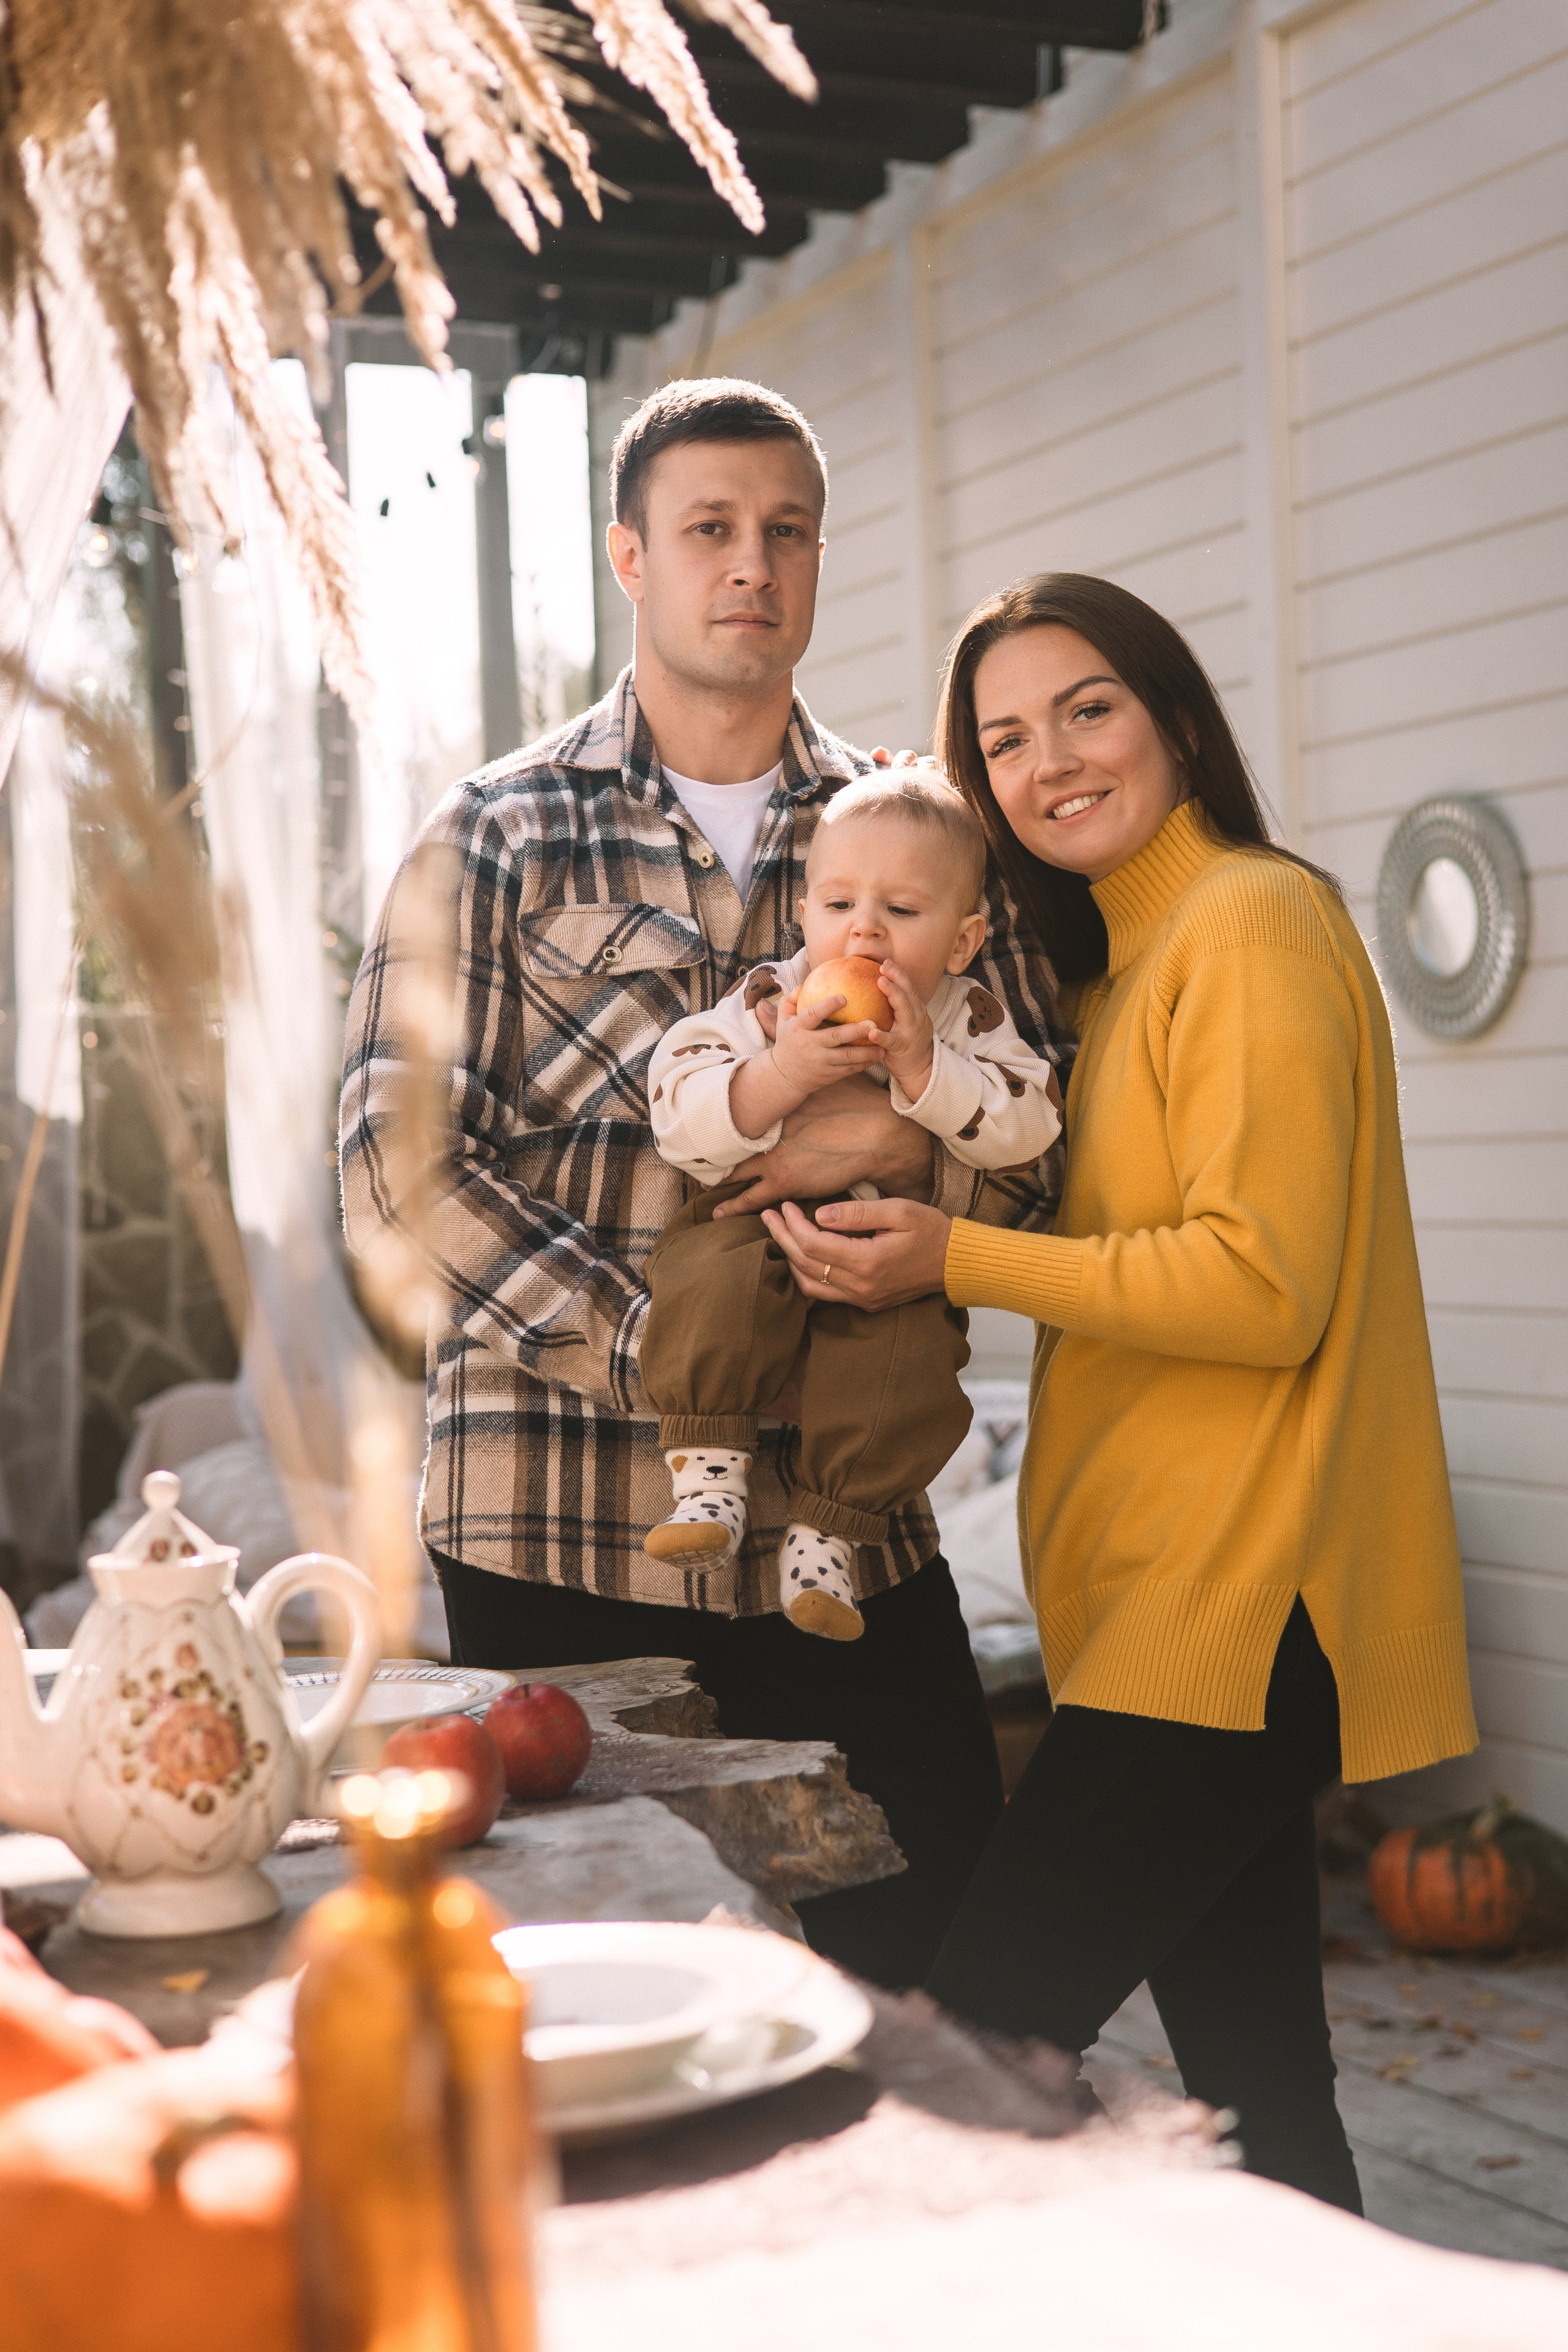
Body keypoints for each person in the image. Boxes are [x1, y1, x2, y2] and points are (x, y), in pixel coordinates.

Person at [755, 572, 1478, 2204]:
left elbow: (1262, 1286)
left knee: (957, 2066)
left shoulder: (1251, 922)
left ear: (1177, 717)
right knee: (1262, 2102)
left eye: (1088, 708)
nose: (1051, 760)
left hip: (1235, 1612)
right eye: (1003, 739)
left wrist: (951, 1259)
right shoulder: (1115, 968)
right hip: (1163, 1605)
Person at [339, 380, 1066, 1988]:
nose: (754, 565)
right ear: (631, 557)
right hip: (559, 1545)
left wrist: (930, 1243)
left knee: (943, 1986)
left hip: (854, 1542)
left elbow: (1038, 1148)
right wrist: (665, 1356)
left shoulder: (919, 829)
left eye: (786, 531)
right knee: (601, 1997)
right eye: (711, 529)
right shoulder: (494, 836)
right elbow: (398, 1180)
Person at [640, 771, 1061, 1638]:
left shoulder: (966, 1020)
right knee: (707, 1284)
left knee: (906, 1367)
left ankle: (829, 1538)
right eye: (840, 903)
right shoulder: (771, 1001)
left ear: (962, 939)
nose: (863, 927)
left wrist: (923, 1072)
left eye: (902, 912)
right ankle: (710, 1474)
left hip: (892, 1263)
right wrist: (781, 1072)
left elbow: (1030, 1123)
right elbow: (677, 1107)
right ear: (806, 914)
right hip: (754, 1226)